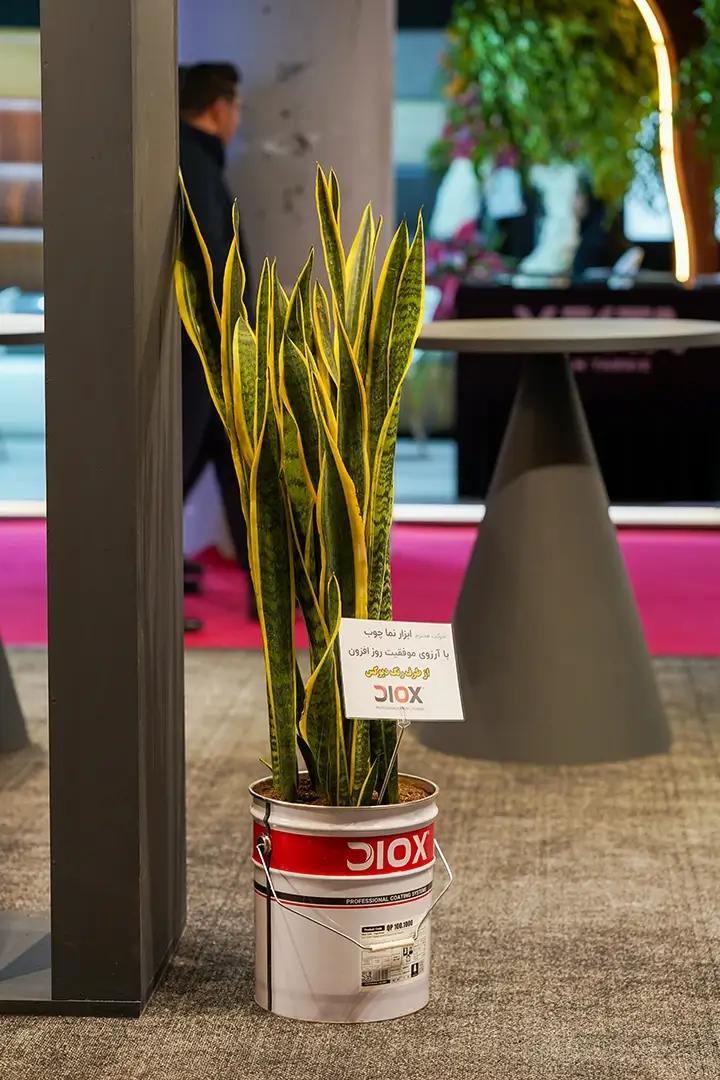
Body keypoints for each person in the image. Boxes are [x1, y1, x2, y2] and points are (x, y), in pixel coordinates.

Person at [178, 63, 256, 628]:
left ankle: (268, 591)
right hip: (203, 355)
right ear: (219, 107)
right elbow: (211, 266)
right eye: (238, 108)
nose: (238, 119)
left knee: (227, 465)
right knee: (187, 470)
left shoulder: (189, 158)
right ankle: (137, 593)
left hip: (204, 355)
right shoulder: (195, 163)